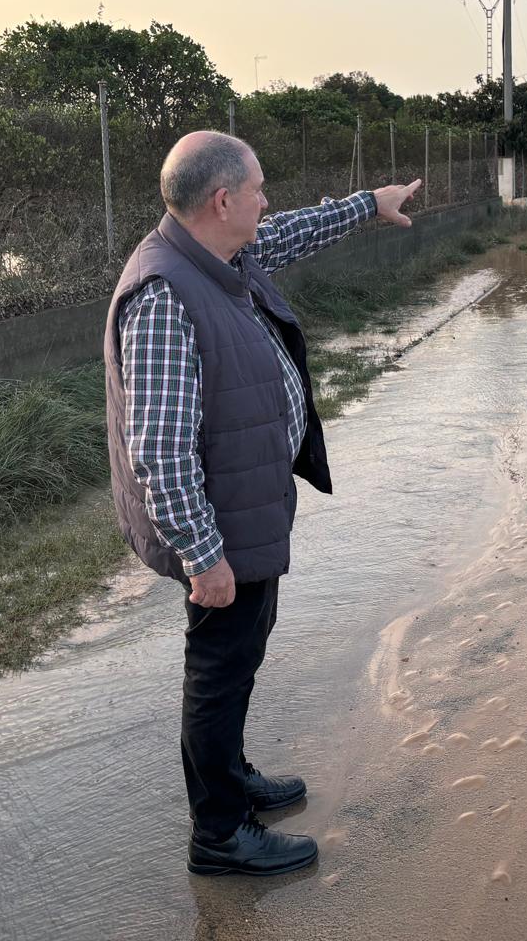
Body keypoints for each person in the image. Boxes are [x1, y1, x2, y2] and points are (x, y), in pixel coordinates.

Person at [103, 130, 421, 877]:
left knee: (240, 656)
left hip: (244, 504)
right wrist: (203, 554)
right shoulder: (163, 295)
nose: (265, 201)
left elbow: (287, 232)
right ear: (222, 201)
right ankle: (218, 833)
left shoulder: (218, 255)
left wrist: (369, 205)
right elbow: (159, 448)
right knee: (219, 666)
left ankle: (232, 778)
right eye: (256, 188)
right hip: (216, 525)